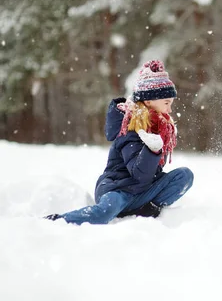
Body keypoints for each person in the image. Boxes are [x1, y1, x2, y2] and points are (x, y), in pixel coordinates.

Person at [45, 60, 194, 224]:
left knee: (184, 175)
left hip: (142, 192)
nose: (170, 110)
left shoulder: (160, 127)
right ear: (149, 101)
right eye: (167, 103)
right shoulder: (128, 128)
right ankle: (57, 220)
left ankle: (145, 208)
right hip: (118, 190)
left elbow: (149, 177)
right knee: (105, 212)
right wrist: (152, 150)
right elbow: (139, 175)